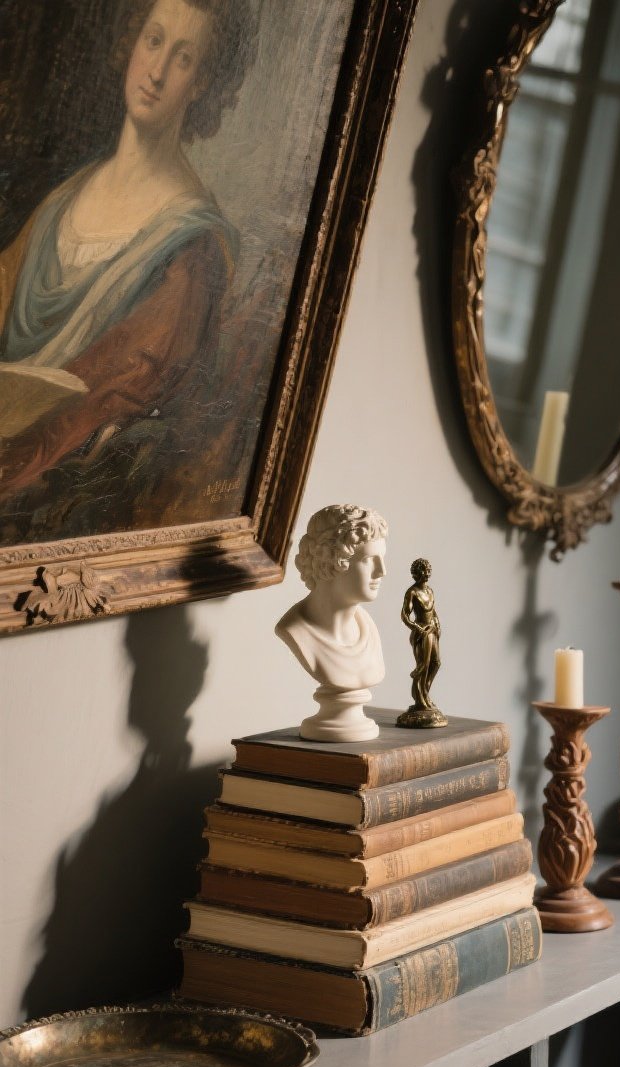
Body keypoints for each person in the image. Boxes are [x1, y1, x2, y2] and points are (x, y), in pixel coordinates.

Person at [0, 0, 254, 499]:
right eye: (153, 41)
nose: (156, 72)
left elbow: (110, 402)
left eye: (183, 59)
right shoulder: (64, 200)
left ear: (202, 83)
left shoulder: (192, 247)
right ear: (131, 43)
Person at [275, 504, 388, 741]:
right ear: (332, 560)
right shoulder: (295, 630)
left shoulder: (368, 629)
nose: (382, 571)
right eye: (369, 559)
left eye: (383, 558)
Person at [397, 557, 447, 727]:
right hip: (422, 632)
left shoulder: (431, 591)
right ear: (416, 574)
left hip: (433, 630)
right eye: (423, 571)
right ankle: (420, 700)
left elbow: (433, 611)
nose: (426, 574)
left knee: (436, 663)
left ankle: (424, 692)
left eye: (428, 571)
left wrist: (438, 625)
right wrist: (416, 627)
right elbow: (405, 614)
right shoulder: (412, 592)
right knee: (423, 666)